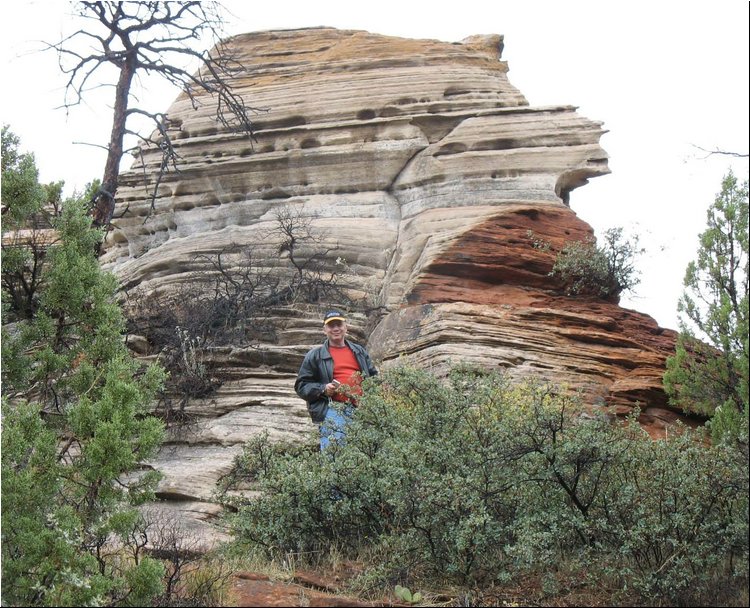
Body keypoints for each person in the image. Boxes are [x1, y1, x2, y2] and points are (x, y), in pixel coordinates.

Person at [295, 310, 378, 450]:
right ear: (324, 330)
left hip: (363, 410)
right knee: (334, 457)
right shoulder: (315, 355)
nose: (335, 329)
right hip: (334, 410)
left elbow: (373, 377)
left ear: (346, 327)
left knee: (367, 455)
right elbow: (301, 386)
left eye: (339, 324)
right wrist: (322, 389)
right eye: (331, 325)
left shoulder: (359, 351)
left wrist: (370, 399)